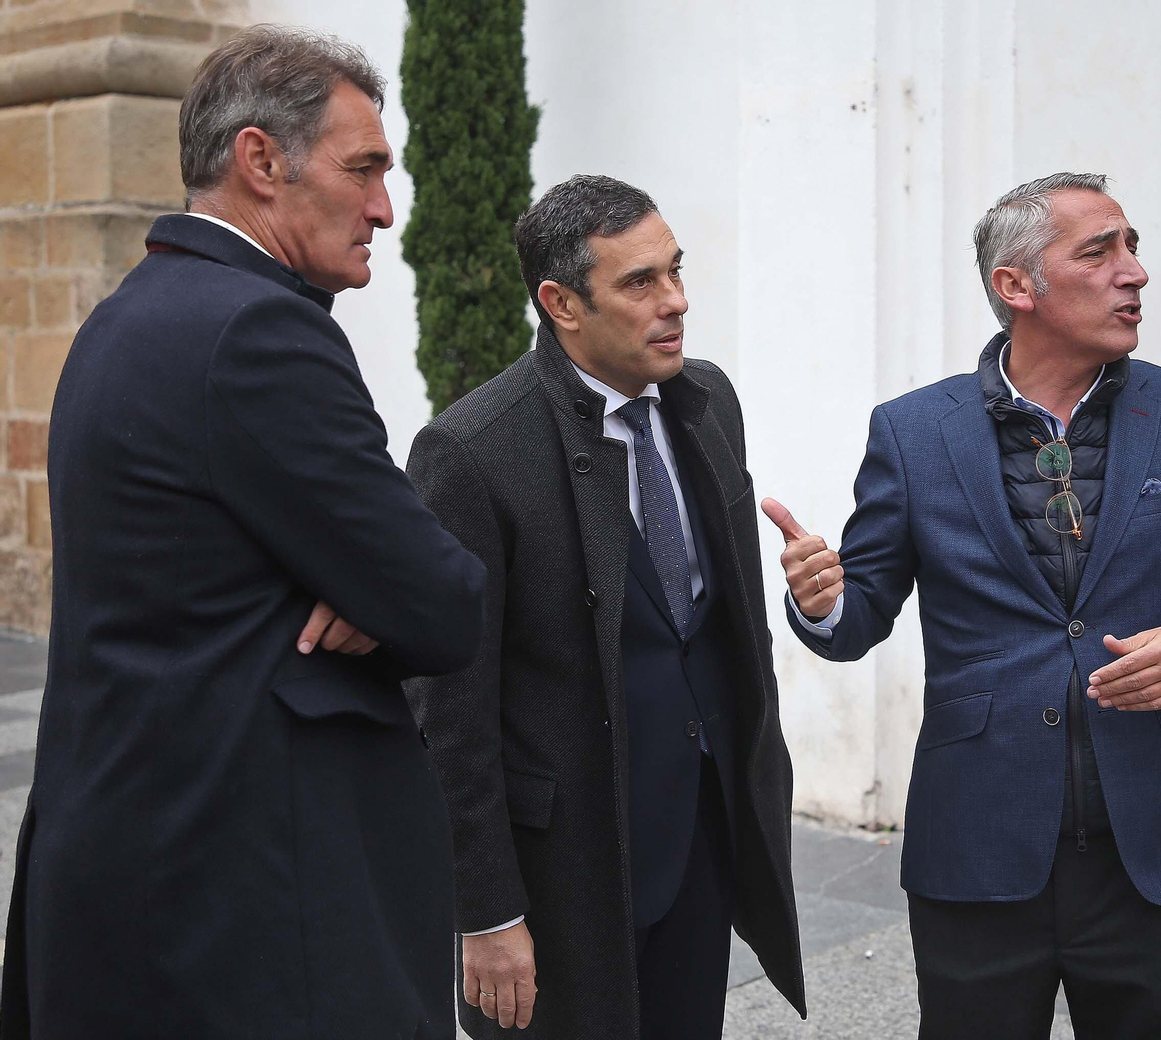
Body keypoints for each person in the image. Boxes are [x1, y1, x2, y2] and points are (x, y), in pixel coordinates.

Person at [0, 26, 487, 1040]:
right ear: (260, 160)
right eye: (363, 170)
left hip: (138, 888)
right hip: (251, 917)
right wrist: (377, 584)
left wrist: (370, 580)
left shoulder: (130, 313)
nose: (385, 210)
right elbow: (442, 602)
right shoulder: (259, 331)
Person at [764, 171, 1161, 1040]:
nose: (1134, 272)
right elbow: (858, 618)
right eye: (1099, 252)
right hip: (978, 846)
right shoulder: (913, 432)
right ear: (1016, 286)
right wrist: (823, 601)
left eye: (1133, 248)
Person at [404, 174, 805, 1039]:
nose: (675, 302)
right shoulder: (472, 453)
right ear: (561, 304)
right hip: (566, 871)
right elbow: (449, 713)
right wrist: (485, 912)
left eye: (675, 271)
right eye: (639, 283)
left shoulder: (708, 400)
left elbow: (709, 619)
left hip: (700, 836)